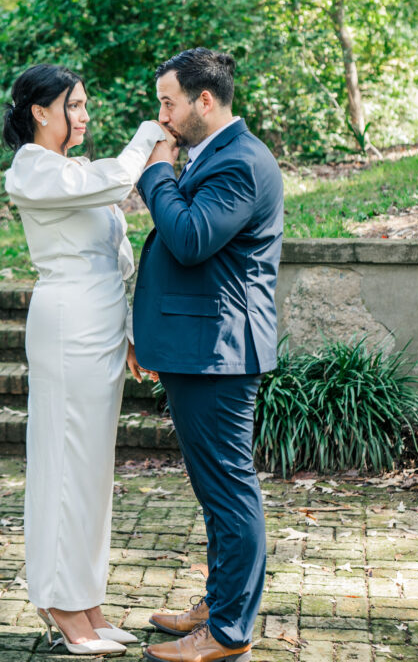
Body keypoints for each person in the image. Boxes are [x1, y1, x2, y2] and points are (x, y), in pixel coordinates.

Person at [3, 63, 167, 656]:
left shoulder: (73, 169)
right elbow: (117, 178)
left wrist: (127, 333)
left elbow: (114, 258)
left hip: (101, 321)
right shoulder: (32, 168)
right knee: (68, 465)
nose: (84, 115)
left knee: (94, 471)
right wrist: (151, 132)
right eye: (73, 105)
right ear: (39, 111)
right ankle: (61, 605)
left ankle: (88, 605)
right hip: (67, 323)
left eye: (84, 105)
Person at [130, 48, 284, 662]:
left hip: (220, 351)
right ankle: (220, 603)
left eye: (168, 101)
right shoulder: (219, 155)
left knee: (228, 489)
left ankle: (227, 632)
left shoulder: (240, 163)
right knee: (214, 488)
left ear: (204, 100)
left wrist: (155, 173)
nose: (162, 115)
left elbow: (190, 239)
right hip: (198, 346)